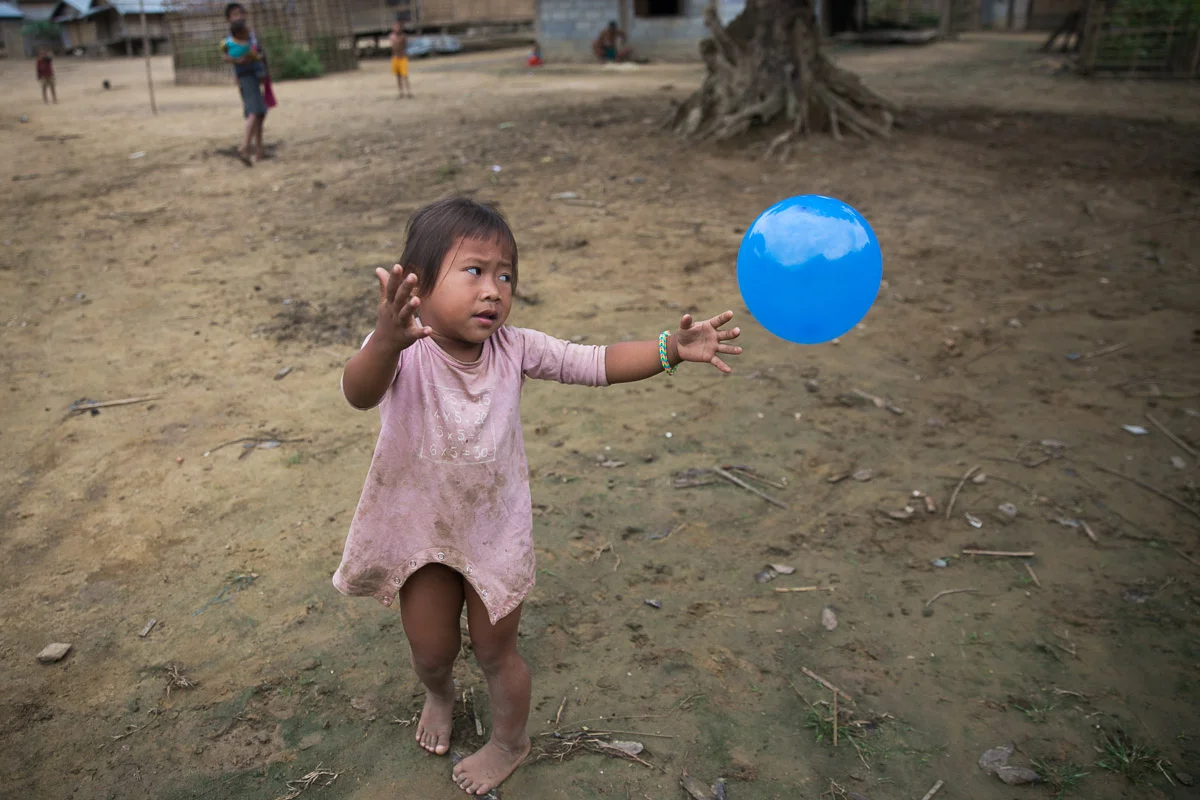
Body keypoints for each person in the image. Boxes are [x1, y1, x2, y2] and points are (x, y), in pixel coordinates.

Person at [334, 197, 742, 796]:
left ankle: (508, 742)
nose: (494, 289)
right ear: (415, 287)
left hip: (494, 534)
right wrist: (385, 343)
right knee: (430, 648)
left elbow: (593, 361)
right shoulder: (404, 350)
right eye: (474, 271)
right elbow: (357, 393)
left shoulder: (515, 348)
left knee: (498, 653)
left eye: (506, 276)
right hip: (421, 531)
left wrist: (670, 350)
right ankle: (439, 693)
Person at [220, 2, 268, 164]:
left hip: (256, 75)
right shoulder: (230, 40)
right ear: (228, 20)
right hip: (245, 76)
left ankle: (259, 150)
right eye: (234, 14)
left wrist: (264, 72)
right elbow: (225, 57)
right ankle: (245, 147)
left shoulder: (251, 35)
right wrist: (238, 60)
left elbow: (259, 52)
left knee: (260, 113)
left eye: (240, 13)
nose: (239, 17)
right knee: (254, 112)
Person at [389, 20, 413, 98]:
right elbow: (393, 47)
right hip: (395, 58)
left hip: (402, 58)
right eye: (395, 26)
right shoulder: (392, 36)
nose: (396, 28)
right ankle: (401, 92)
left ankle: (409, 91)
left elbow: (404, 46)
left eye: (397, 27)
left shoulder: (403, 36)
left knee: (405, 75)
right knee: (398, 76)